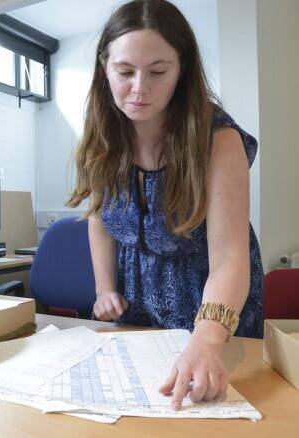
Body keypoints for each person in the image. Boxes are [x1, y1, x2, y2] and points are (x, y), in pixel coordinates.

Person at [67, 0, 263, 410]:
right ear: (105, 68)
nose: (139, 88)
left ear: (182, 71)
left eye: (157, 72)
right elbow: (101, 219)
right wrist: (105, 288)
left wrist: (208, 339)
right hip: (138, 310)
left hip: (212, 312)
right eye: (124, 72)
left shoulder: (218, 141)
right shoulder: (104, 137)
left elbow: (230, 259)